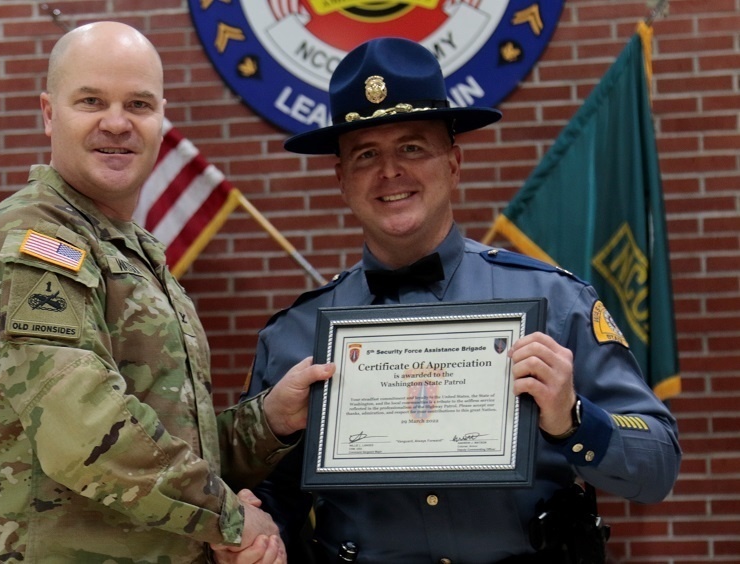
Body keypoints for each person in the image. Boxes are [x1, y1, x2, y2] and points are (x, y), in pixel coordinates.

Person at [244, 37, 682, 563]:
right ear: (341, 179)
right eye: (366, 155)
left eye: (412, 147)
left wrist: (574, 419)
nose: (390, 172)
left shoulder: (555, 300)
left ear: (453, 164)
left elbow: (658, 466)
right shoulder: (294, 333)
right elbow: (271, 498)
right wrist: (258, 530)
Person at [0, 21, 333, 564]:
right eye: (91, 101)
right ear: (48, 113)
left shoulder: (128, 248)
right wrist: (230, 518)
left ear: (160, 118)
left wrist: (269, 420)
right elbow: (84, 433)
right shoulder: (36, 241)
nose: (116, 123)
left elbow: (171, 434)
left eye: (138, 104)